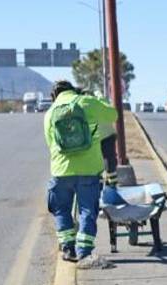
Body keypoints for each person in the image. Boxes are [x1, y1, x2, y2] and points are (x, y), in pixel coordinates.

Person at [42, 80, 118, 263]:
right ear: (73, 90)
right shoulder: (86, 102)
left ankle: (68, 249)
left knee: (61, 209)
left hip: (61, 171)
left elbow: (50, 142)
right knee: (87, 211)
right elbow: (113, 115)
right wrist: (99, 98)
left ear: (54, 96)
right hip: (88, 169)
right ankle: (83, 252)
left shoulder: (50, 113)